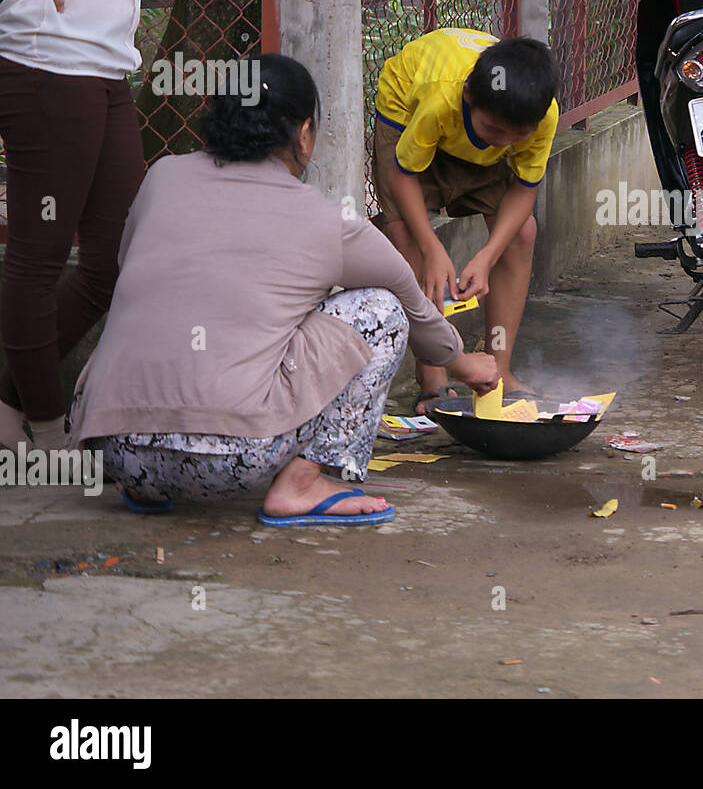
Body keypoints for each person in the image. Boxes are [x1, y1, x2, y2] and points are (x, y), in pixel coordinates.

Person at [69, 54, 499, 525]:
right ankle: (303, 483)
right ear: (304, 134)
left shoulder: (162, 176)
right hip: (232, 461)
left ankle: (150, 487)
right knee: (381, 309)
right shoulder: (327, 220)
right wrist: (462, 362)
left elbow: (126, 264)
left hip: (114, 450)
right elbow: (410, 301)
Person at [0, 0, 208, 450]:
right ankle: (50, 429)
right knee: (38, 254)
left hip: (102, 70)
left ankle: (6, 396)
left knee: (118, 256)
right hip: (44, 63)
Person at [371, 27, 559, 413]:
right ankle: (434, 373)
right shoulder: (442, 97)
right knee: (406, 235)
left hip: (469, 121)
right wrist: (432, 247)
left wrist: (488, 256)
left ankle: (499, 369)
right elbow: (403, 175)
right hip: (406, 114)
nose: (503, 144)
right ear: (469, 96)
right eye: (494, 131)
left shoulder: (539, 115)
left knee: (522, 233)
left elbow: (525, 187)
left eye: (516, 138)